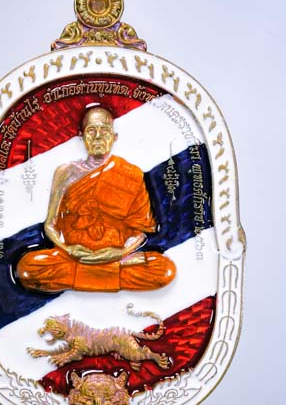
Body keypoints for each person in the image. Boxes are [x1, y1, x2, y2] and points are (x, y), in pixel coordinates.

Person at [16, 106, 176, 293]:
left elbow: (139, 233)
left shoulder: (131, 174)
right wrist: (68, 249)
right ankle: (108, 276)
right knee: (27, 268)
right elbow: (50, 225)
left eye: (105, 131)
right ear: (81, 136)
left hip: (116, 256)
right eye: (91, 131)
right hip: (72, 255)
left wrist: (119, 252)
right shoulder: (65, 173)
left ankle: (82, 276)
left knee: (164, 269)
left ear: (114, 137)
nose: (98, 137)